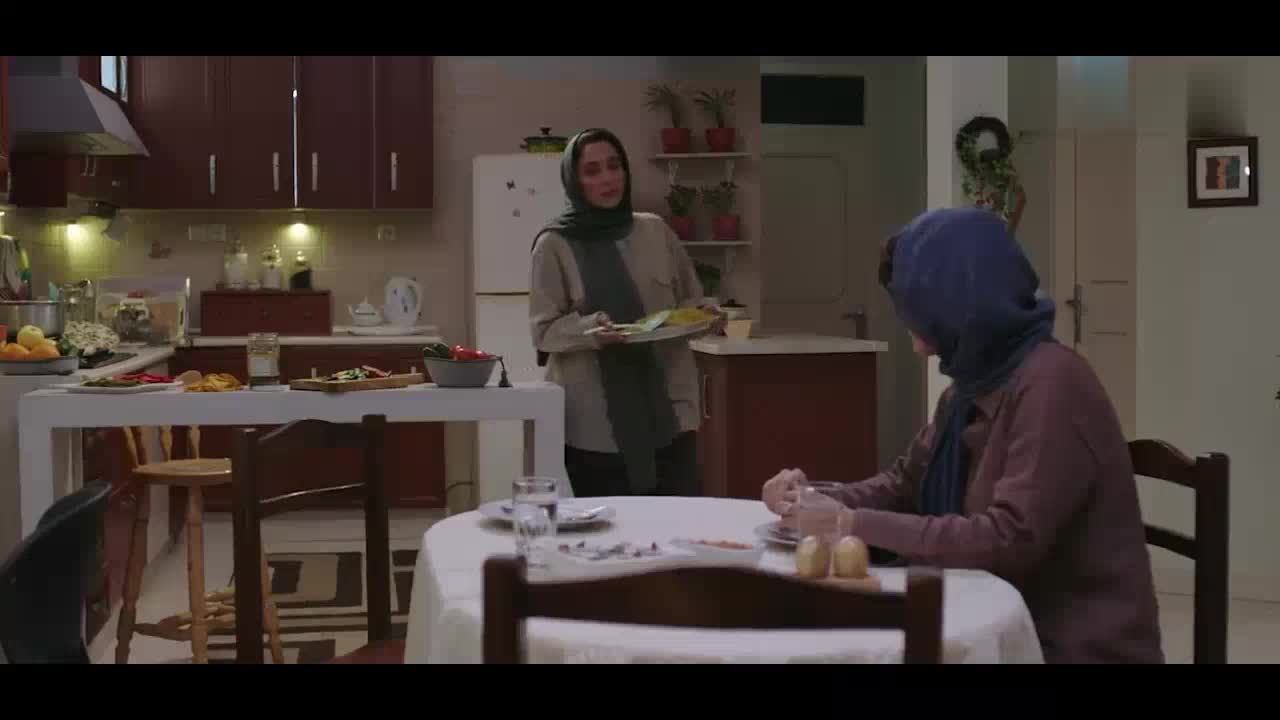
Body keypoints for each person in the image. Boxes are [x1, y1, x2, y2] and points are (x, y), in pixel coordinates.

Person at [761, 207, 1164, 664]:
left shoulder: (1053, 386)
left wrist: (851, 524)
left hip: (1065, 646)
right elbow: (904, 484)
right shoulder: (971, 385)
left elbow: (1007, 540)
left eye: (925, 322)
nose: (919, 346)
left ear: (963, 307)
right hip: (988, 616)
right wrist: (813, 499)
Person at [530, 128, 721, 498]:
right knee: (610, 528)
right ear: (574, 181)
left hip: (670, 413)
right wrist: (590, 330)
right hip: (595, 425)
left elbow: (688, 301)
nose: (607, 178)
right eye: (592, 170)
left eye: (614, 166)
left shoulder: (656, 230)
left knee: (679, 523)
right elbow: (543, 330)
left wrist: (704, 314)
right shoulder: (554, 244)